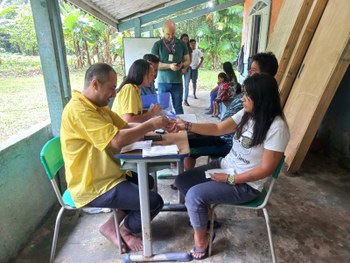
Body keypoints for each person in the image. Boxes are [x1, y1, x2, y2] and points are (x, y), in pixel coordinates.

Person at [60, 63, 175, 252]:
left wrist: (154, 128)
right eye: (112, 88)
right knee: (154, 201)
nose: (114, 93)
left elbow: (123, 127)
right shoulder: (79, 110)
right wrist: (150, 124)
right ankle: (125, 230)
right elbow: (116, 140)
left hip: (108, 175)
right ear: (95, 84)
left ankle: (110, 226)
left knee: (144, 181)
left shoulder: (97, 106)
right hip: (92, 185)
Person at [175, 73, 290, 260]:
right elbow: (218, 128)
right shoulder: (247, 113)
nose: (243, 98)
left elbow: (266, 169)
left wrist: (230, 179)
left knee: (195, 196)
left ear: (261, 98)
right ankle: (208, 217)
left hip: (246, 185)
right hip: (225, 166)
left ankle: (202, 239)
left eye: (248, 95)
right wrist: (186, 125)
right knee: (183, 181)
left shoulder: (277, 128)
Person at [151, 20, 190, 115]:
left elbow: (188, 60)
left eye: (173, 33)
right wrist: (169, 66)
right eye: (168, 34)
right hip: (163, 82)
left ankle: (182, 127)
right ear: (163, 31)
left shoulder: (182, 44)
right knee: (163, 108)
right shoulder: (158, 45)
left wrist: (182, 65)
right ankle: (164, 129)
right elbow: (154, 64)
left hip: (177, 82)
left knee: (178, 107)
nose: (171, 36)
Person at [181, 33, 192, 107]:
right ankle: (180, 99)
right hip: (179, 68)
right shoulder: (178, 47)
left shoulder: (189, 48)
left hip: (187, 68)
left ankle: (185, 100)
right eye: (184, 39)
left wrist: (185, 68)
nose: (185, 40)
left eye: (187, 39)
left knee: (186, 85)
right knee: (180, 85)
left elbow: (190, 60)